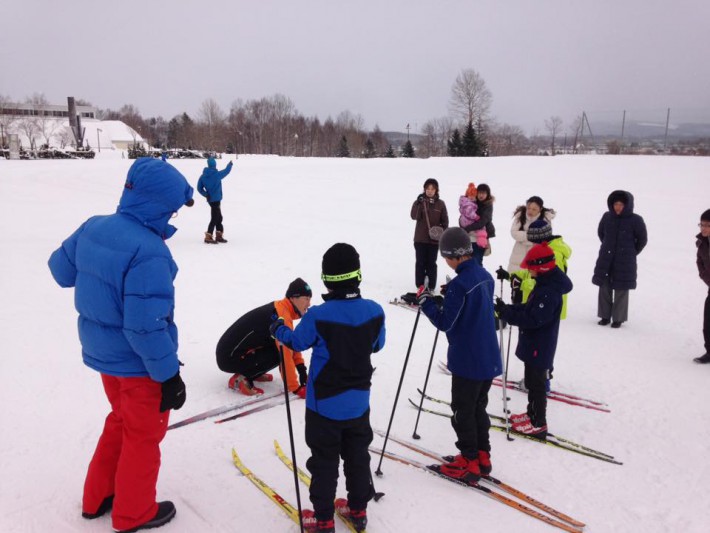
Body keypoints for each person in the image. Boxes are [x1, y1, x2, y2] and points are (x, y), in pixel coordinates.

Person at [47, 158, 194, 533]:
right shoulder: (150, 251)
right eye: (173, 209)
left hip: (105, 359)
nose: (174, 215)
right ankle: (134, 513)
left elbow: (60, 269)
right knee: (143, 435)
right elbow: (145, 327)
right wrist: (169, 376)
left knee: (120, 421)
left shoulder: (94, 226)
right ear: (158, 204)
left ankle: (97, 497)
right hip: (138, 365)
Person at [270, 243, 386, 533]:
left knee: (324, 461)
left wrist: (278, 329)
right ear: (357, 276)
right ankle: (358, 509)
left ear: (326, 280)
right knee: (357, 456)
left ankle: (322, 519)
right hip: (358, 403)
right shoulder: (374, 311)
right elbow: (377, 344)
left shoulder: (319, 315)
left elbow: (296, 342)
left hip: (323, 406)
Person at [417, 227, 501, 483]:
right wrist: (450, 292)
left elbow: (446, 322)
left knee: (462, 410)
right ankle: (482, 455)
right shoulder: (484, 276)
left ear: (454, 255)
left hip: (468, 360)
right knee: (478, 408)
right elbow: (469, 305)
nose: (446, 262)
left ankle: (469, 461)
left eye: (446, 258)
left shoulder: (459, 285)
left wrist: (426, 303)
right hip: (488, 357)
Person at [495, 242, 573, 439]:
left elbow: (533, 319)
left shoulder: (549, 292)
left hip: (541, 345)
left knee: (537, 385)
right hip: (535, 344)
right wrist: (509, 309)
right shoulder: (545, 285)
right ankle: (531, 415)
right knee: (531, 380)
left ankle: (538, 422)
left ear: (542, 268)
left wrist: (508, 315)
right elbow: (529, 308)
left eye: (531, 268)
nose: (529, 271)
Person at [216, 278, 312, 397]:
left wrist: (302, 371)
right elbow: (285, 353)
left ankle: (254, 371)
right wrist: (295, 388)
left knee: (278, 346)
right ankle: (241, 378)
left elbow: (291, 343)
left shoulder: (282, 310)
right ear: (293, 298)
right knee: (279, 352)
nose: (309, 304)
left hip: (233, 352)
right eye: (306, 299)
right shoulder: (282, 316)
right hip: (228, 357)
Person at [592, 190, 648, 328]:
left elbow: (642, 239)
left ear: (628, 205)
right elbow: (601, 233)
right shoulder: (607, 217)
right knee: (604, 285)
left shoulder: (636, 220)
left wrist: (632, 252)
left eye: (621, 204)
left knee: (621, 288)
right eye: (615, 204)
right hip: (606, 257)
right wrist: (607, 245)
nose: (617, 207)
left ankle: (618, 318)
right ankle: (604, 316)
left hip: (625, 260)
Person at [411, 178, 449, 291]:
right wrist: (418, 203)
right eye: (428, 188)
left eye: (432, 189)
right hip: (420, 239)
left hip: (434, 240)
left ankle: (431, 286)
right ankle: (420, 285)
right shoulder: (419, 202)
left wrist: (439, 231)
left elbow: (445, 221)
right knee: (420, 263)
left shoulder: (441, 204)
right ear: (424, 189)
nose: (430, 191)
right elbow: (414, 216)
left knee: (432, 263)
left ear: (436, 190)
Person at [507, 196, 555, 273]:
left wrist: (524, 238)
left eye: (534, 209)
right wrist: (532, 236)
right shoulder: (521, 216)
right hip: (519, 251)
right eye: (528, 208)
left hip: (536, 252)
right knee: (516, 276)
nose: (530, 211)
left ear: (540, 209)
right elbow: (514, 233)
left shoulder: (545, 218)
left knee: (532, 278)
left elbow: (546, 236)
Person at [197, 156, 234, 244]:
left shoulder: (203, 176)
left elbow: (199, 188)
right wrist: (230, 164)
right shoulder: (217, 174)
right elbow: (226, 171)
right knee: (215, 217)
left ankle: (218, 235)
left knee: (218, 217)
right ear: (214, 165)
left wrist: (206, 194)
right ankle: (208, 236)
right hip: (216, 199)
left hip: (210, 199)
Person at [694, 209, 710, 363]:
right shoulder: (702, 243)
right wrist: (705, 276)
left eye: (707, 225)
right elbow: (700, 262)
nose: (703, 228)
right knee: (708, 321)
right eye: (702, 225)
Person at [458, 182, 488, 263]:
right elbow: (469, 213)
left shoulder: (485, 206)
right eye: (480, 193)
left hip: (474, 237)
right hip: (470, 236)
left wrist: (465, 228)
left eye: (473, 196)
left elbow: (482, 222)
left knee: (476, 260)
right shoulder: (470, 204)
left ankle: (477, 275)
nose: (481, 196)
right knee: (469, 260)